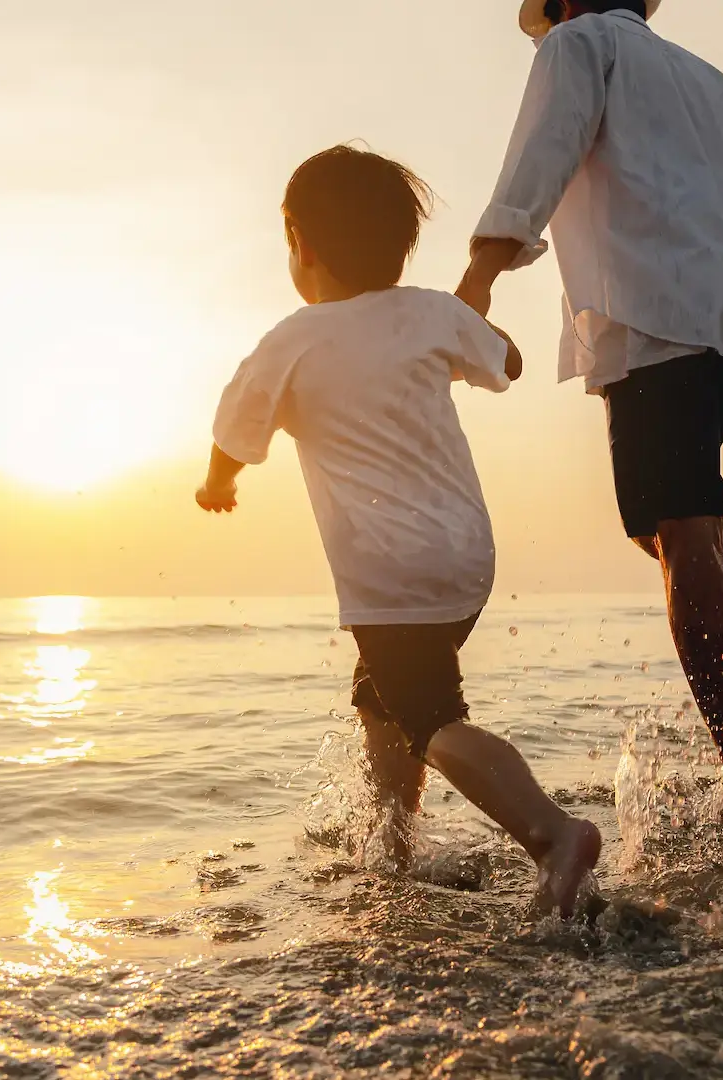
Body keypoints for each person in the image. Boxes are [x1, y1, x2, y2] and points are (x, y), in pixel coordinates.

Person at [456, 0, 723, 825]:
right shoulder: (712, 83)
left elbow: (540, 156)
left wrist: (477, 279)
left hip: (655, 318)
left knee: (677, 531)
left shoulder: (578, 44)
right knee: (664, 514)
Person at [198, 146, 600, 916]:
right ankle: (394, 844)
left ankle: (551, 833)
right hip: (465, 560)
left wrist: (215, 486)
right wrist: (465, 331)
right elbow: (505, 363)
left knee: (430, 720)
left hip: (390, 572)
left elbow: (232, 433)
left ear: (299, 243)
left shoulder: (291, 341)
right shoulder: (431, 312)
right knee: (381, 696)